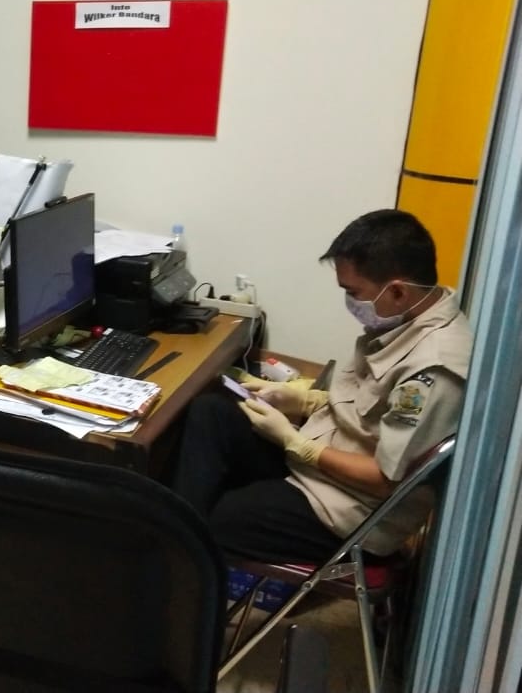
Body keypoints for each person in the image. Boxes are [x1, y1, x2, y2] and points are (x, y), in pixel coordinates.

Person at [172, 209, 472, 562]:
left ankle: (182, 553)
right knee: (213, 411)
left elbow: (385, 479)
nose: (350, 302)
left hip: (347, 509)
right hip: (321, 462)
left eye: (353, 292)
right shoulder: (406, 320)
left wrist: (294, 442)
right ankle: (178, 544)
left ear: (397, 291)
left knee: (215, 521)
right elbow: (366, 409)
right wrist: (301, 401)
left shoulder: (433, 368)